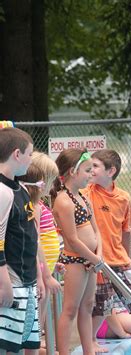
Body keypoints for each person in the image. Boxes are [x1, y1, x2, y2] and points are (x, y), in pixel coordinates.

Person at [83, 149, 131, 354]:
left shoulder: (123, 198)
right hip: (97, 260)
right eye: (90, 166)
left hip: (119, 259)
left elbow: (126, 231)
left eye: (96, 166)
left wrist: (128, 258)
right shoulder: (87, 193)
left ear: (111, 171)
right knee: (99, 305)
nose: (91, 170)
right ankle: (90, 341)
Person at [51, 149, 102, 355]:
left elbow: (97, 230)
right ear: (73, 171)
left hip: (91, 261)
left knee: (88, 306)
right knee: (70, 309)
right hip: (75, 262)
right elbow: (72, 238)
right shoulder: (64, 201)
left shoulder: (83, 197)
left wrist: (100, 255)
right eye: (88, 170)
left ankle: (88, 351)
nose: (92, 174)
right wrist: (94, 258)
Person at [0, 127, 41, 354]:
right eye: (29, 154)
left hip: (27, 280)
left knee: (27, 343)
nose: (31, 159)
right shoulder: (2, 191)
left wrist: (38, 278)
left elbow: (29, 235)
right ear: (17, 154)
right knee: (7, 345)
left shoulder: (20, 189)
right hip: (11, 279)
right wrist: (4, 281)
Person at [22, 152, 63, 350]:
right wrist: (46, 275)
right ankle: (36, 347)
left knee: (41, 314)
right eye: (51, 180)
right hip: (39, 270)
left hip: (44, 266)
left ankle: (38, 345)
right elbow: (35, 240)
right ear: (40, 181)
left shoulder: (40, 204)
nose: (53, 185)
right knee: (37, 317)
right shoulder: (35, 206)